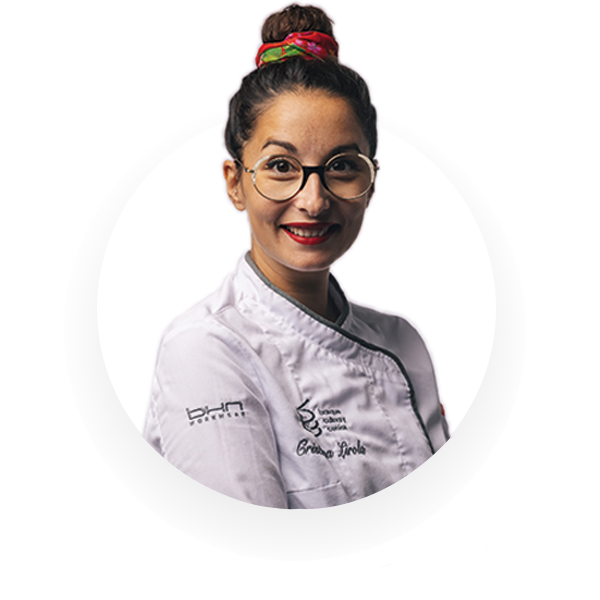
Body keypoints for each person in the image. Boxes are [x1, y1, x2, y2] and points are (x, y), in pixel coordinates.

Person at [143, 3, 450, 511]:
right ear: (236, 183)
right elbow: (251, 549)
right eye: (282, 166)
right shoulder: (204, 350)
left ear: (370, 182)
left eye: (342, 166)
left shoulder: (404, 342)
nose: (313, 200)